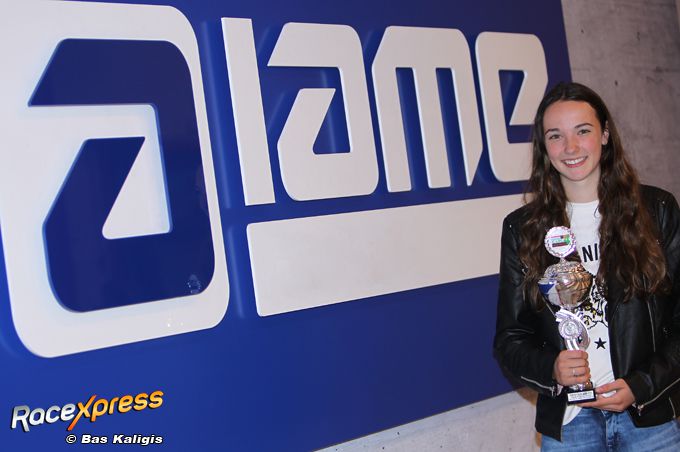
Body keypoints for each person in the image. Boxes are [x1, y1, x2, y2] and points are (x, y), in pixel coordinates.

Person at [494, 81, 680, 450]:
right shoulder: (523, 229)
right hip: (570, 425)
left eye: (583, 131)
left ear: (605, 134)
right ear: (544, 147)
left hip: (648, 418)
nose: (571, 147)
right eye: (556, 136)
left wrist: (642, 384)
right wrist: (551, 369)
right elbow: (509, 339)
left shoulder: (656, 211)